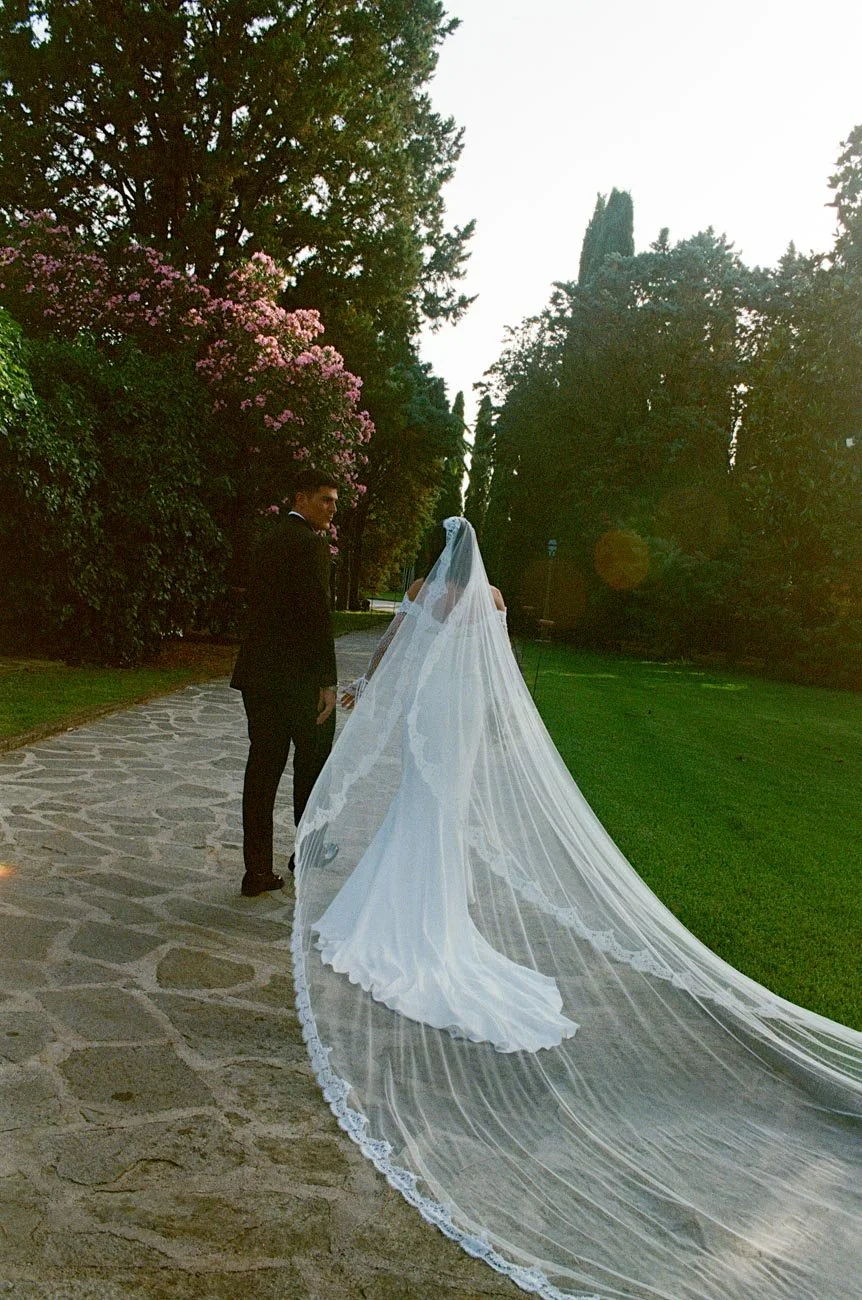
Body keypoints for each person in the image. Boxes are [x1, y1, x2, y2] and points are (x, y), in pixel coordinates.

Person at [293, 517, 862, 1300]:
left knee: (423, 810)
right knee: (436, 816)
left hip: (435, 717)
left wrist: (367, 694)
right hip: (453, 722)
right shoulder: (489, 597)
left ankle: (406, 921)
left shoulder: (429, 592)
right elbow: (504, 673)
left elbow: (401, 656)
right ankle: (429, 921)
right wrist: (501, 718)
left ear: (438, 551)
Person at [230, 469, 338, 897]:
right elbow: (318, 616)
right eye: (325, 499)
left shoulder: (265, 540)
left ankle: (256, 871)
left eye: (335, 500)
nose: (332, 507)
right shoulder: (309, 545)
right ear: (302, 497)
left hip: (259, 675)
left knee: (262, 771)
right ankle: (306, 852)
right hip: (298, 680)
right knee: (312, 765)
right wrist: (327, 681)